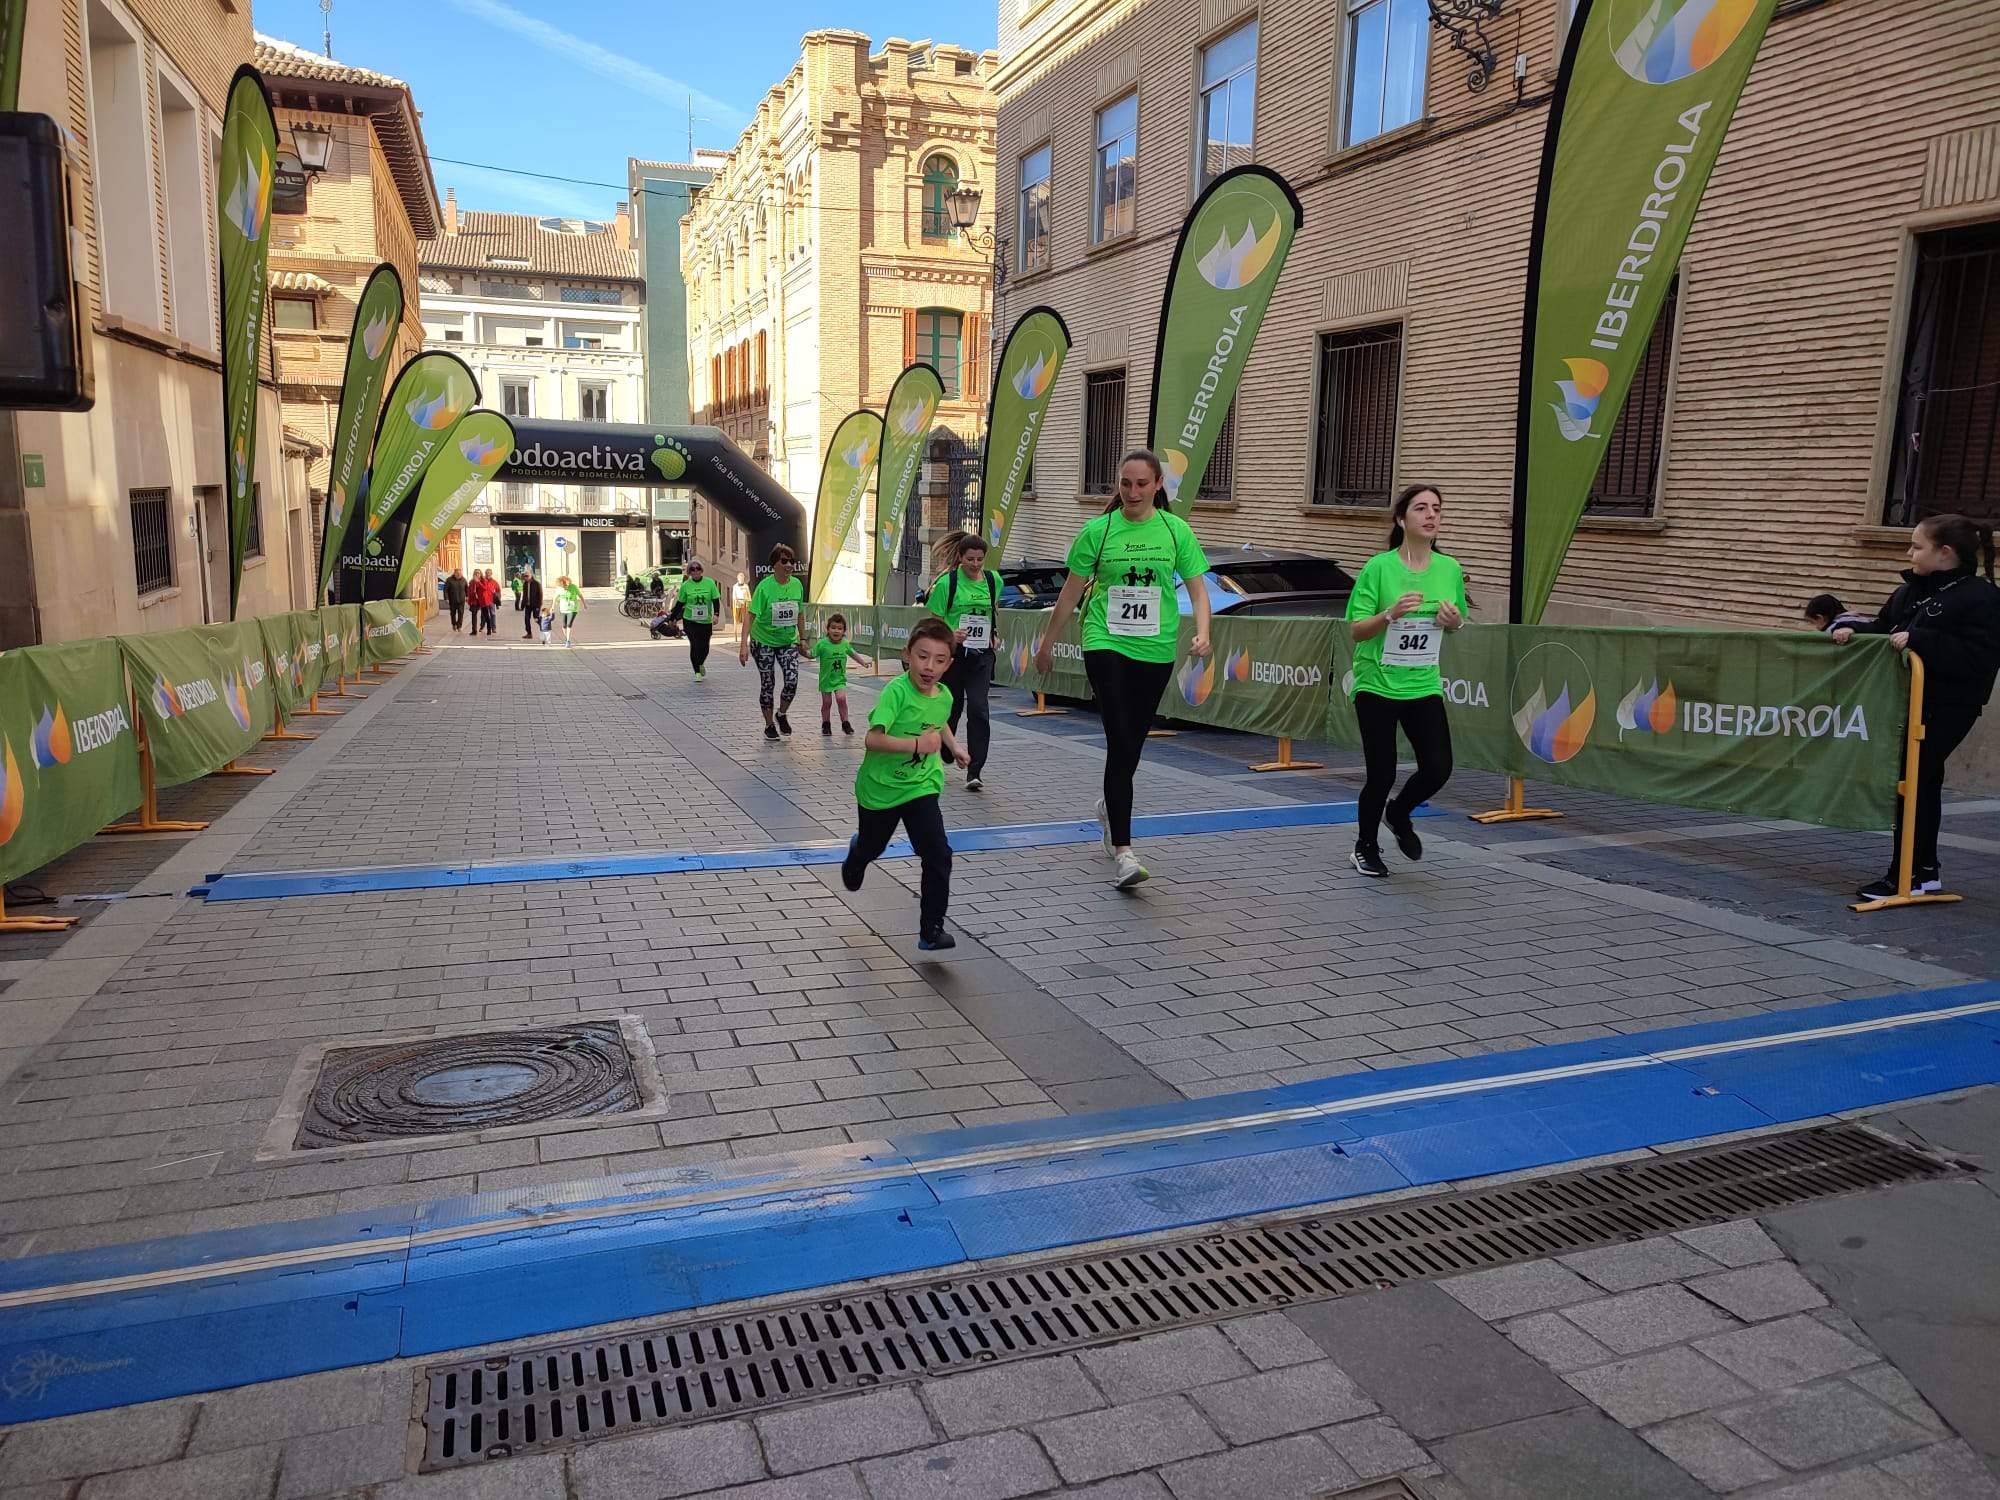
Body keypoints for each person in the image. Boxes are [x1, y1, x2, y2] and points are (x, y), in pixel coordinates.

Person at [1035, 448, 1211, 889]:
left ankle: (1108, 807)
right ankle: (1125, 854)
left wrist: (1203, 632)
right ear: (1118, 485)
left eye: (1141, 484)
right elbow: (1071, 594)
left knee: (1130, 745)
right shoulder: (1099, 530)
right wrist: (1048, 641)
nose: (1132, 492)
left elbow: (1198, 588)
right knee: (1118, 736)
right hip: (1105, 641)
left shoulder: (1175, 531)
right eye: (1126, 483)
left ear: (1157, 486)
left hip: (1155, 649)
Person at [1832, 513, 2000, 900]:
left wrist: (1921, 639)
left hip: (1948, 705)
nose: (1909, 552)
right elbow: (1885, 628)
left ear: (1945, 553)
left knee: (1916, 781)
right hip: (1904, 701)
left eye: (1917, 546)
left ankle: (1910, 874)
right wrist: (1851, 630)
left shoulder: (1980, 598)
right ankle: (1918, 871)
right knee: (1914, 783)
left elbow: (1979, 657)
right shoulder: (1910, 592)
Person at [1345, 484, 1470, 878]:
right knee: (1381, 773)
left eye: (1436, 508)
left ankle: (1398, 812)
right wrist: (1389, 614)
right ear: (1402, 519)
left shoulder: (1449, 568)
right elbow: (1356, 630)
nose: (1431, 515)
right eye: (1421, 508)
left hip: (1422, 683)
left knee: (1438, 767)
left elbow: (1458, 621)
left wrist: (1454, 622)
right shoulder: (1379, 568)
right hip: (1377, 681)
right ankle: (1364, 846)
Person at [842, 616, 968, 951]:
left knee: (938, 853)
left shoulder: (944, 695)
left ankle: (931, 930)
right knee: (874, 846)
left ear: (949, 664)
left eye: (939, 660)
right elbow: (872, 740)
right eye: (922, 657)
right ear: (907, 654)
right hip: (880, 788)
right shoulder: (895, 692)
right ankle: (858, 855)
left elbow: (938, 723)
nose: (930, 667)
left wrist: (954, 747)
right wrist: (916, 746)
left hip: (921, 785)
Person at [925, 530, 1002, 791]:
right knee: (952, 708)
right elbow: (933, 621)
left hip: (981, 656)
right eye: (970, 559)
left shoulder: (993, 581)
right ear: (960, 558)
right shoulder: (948, 584)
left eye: (980, 559)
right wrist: (951, 634)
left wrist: (994, 635)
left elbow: (992, 612)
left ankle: (975, 770)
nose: (976, 564)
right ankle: (948, 747)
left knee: (979, 709)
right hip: (955, 656)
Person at [739, 545, 805, 739]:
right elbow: (750, 617)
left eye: (791, 561)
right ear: (774, 564)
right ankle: (769, 725)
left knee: (792, 680)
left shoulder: (797, 585)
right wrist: (743, 645)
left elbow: (800, 613)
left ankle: (781, 714)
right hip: (763, 641)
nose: (789, 565)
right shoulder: (764, 587)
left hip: (787, 641)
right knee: (768, 682)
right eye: (784, 561)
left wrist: (804, 639)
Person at [811, 613, 874, 734]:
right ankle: (826, 724)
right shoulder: (822, 644)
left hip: (839, 679)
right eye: (833, 627)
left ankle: (845, 723)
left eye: (839, 628)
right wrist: (800, 649)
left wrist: (864, 663)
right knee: (827, 703)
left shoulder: (845, 644)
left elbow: (853, 654)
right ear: (828, 629)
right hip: (826, 679)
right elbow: (811, 654)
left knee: (841, 698)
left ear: (844, 631)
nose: (836, 631)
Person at [671, 559, 721, 678]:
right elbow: (680, 603)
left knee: (705, 647)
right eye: (692, 569)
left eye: (698, 569)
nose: (695, 571)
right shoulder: (686, 586)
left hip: (706, 620)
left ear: (701, 570)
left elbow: (715, 600)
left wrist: (716, 614)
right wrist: (672, 618)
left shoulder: (709, 583)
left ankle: (700, 663)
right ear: (689, 572)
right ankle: (697, 672)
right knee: (695, 645)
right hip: (690, 620)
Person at [1803, 594, 1872, 634]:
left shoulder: (1834, 629)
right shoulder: (1863, 620)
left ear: (1820, 618)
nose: (1816, 627)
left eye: (1812, 622)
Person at [554, 575, 584, 647]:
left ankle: (567, 640)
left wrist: (584, 604)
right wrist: (552, 606)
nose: (565, 588)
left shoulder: (573, 587)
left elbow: (580, 595)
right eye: (563, 587)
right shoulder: (559, 589)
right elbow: (555, 597)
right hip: (563, 609)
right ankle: (567, 638)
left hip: (573, 608)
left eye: (566, 586)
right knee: (564, 626)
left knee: (569, 624)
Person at [517, 567, 543, 641]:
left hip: (535, 605)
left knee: (536, 618)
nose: (526, 577)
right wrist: (522, 606)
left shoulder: (537, 583)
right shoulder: (525, 584)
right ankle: (529, 633)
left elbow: (540, 595)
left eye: (527, 576)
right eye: (524, 576)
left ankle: (543, 627)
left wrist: (539, 605)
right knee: (526, 619)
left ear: (531, 575)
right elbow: (524, 595)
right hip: (527, 605)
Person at [732, 571, 751, 639]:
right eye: (740, 578)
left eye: (742, 578)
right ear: (738, 579)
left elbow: (749, 596)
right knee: (736, 619)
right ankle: (736, 634)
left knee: (745, 619)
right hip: (737, 604)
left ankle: (745, 633)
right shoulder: (735, 586)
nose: (741, 579)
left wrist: (749, 602)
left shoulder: (746, 586)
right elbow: (734, 596)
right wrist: (736, 600)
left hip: (745, 604)